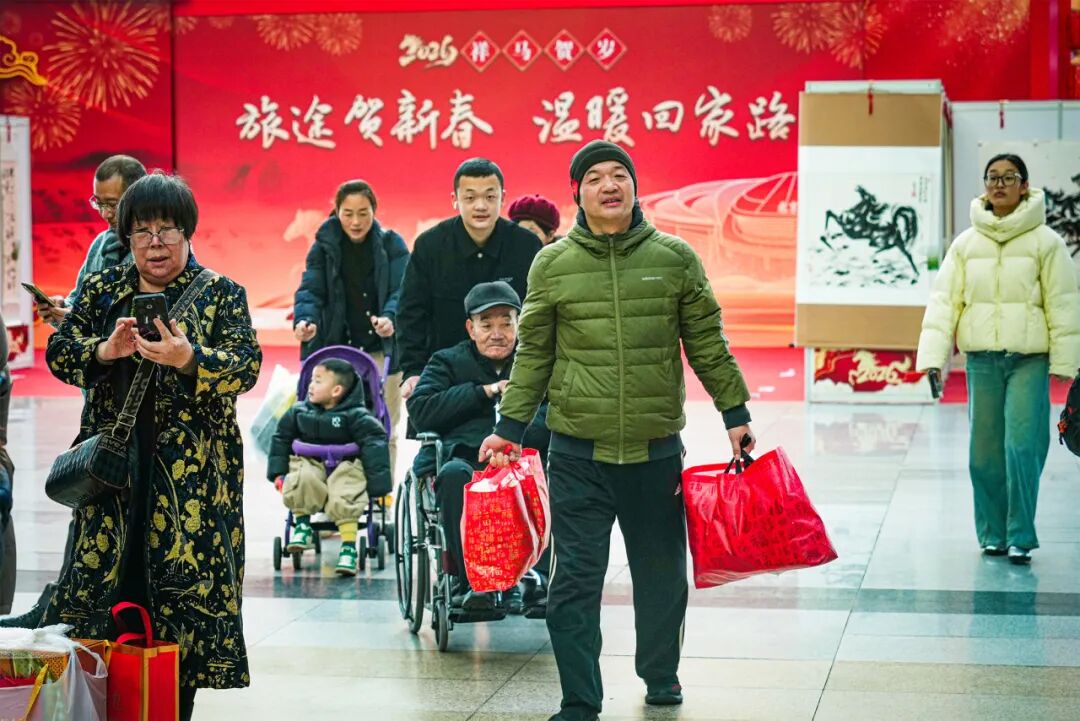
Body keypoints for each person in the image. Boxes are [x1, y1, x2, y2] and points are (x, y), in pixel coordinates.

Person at [479, 141, 756, 721]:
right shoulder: (552, 264)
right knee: (574, 584)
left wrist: (735, 413)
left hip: (655, 453)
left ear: (634, 186)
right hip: (577, 454)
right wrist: (509, 427)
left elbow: (707, 341)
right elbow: (535, 355)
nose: (609, 185)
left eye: (619, 175)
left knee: (662, 578)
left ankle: (660, 673)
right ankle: (580, 699)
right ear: (577, 193)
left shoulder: (674, 258)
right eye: (595, 178)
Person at [41, 171, 261, 720]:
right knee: (105, 608)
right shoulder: (101, 290)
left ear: (188, 232)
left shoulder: (221, 294)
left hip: (191, 489)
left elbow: (246, 366)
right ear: (127, 236)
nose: (155, 243)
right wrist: (104, 351)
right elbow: (61, 353)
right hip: (112, 479)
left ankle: (173, 708)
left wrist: (190, 359)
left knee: (179, 615)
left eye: (167, 230)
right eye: (142, 232)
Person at [917, 153, 1080, 565]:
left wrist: (1067, 362)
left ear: (1024, 186)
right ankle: (993, 533)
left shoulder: (1047, 242)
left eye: (1009, 177)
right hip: (982, 362)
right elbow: (943, 302)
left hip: (1028, 360)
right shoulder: (966, 244)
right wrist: (933, 356)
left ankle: (1021, 534)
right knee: (985, 453)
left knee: (1022, 447)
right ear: (985, 185)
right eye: (993, 177)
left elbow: (1064, 304)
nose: (1000, 184)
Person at [407, 281, 550, 615]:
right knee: (453, 476)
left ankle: (538, 579)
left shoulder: (535, 362)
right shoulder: (447, 361)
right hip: (467, 461)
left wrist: (517, 436)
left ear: (519, 325)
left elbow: (558, 410)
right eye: (486, 325)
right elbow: (422, 409)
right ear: (471, 329)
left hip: (522, 461)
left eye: (506, 323)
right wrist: (485, 391)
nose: (497, 334)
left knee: (555, 475)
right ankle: (471, 582)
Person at [396, 158, 541, 400]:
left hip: (514, 374)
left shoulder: (526, 246)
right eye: (470, 197)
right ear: (455, 199)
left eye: (490, 197)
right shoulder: (430, 246)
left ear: (503, 198)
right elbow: (411, 313)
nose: (481, 206)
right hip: (447, 376)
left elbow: (540, 312)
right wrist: (413, 370)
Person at [293, 180, 408, 479]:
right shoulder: (323, 247)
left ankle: (381, 494)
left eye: (363, 213)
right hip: (337, 349)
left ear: (374, 211)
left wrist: (390, 318)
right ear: (337, 212)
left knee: (384, 427)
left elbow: (402, 291)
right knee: (331, 426)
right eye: (348, 213)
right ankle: (338, 493)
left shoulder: (391, 244)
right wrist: (305, 321)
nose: (356, 221)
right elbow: (311, 290)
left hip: (382, 349)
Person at [267, 359, 391, 576]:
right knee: (302, 478)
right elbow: (281, 438)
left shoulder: (357, 416)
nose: (311, 386)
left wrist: (378, 486)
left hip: (346, 465)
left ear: (336, 391)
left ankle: (349, 547)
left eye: (318, 381)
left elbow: (375, 444)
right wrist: (278, 473)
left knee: (347, 491)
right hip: (310, 462)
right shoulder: (299, 411)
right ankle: (302, 526)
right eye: (311, 380)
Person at [36, 155, 147, 325]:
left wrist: (76, 322)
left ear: (138, 198)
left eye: (112, 204)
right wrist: (61, 307)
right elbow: (80, 300)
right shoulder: (100, 245)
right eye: (99, 203)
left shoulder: (154, 249)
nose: (105, 214)